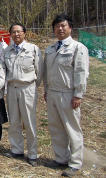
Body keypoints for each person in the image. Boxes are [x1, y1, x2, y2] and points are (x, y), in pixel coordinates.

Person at [43, 14, 89, 177]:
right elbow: (46, 72)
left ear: (70, 28)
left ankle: (75, 163)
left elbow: (81, 72)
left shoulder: (77, 48)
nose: (60, 29)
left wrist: (78, 94)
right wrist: (47, 90)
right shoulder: (50, 49)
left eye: (63, 25)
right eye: (57, 26)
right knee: (56, 127)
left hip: (68, 94)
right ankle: (61, 158)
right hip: (53, 93)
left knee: (72, 128)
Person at [3, 23, 43, 167]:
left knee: (29, 122)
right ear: (10, 35)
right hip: (12, 88)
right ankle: (17, 149)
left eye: (19, 31)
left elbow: (39, 72)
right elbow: (4, 70)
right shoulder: (7, 50)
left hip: (28, 88)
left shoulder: (33, 49)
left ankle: (32, 154)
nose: (16, 34)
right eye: (13, 32)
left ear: (25, 33)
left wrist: (32, 86)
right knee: (13, 121)